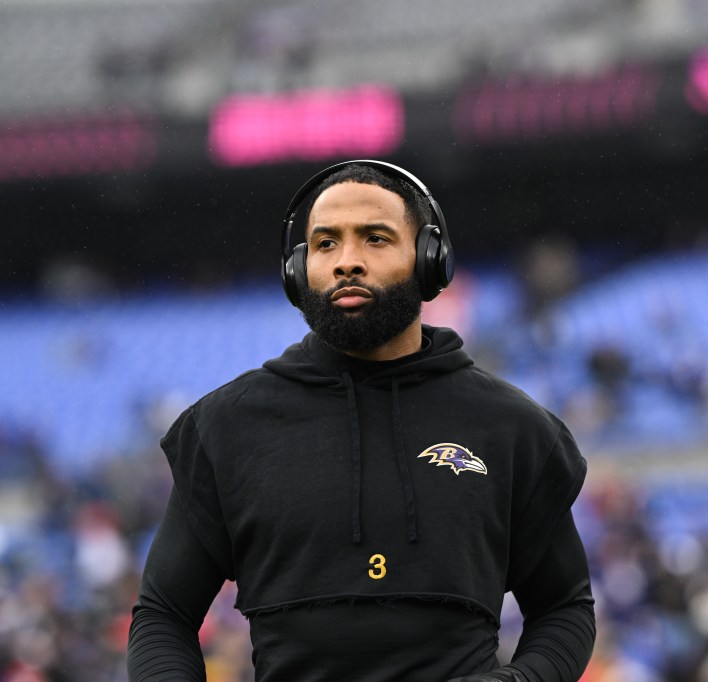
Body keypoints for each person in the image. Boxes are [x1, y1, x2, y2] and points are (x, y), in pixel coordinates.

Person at [126, 160, 596, 681]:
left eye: (375, 238)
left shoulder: (513, 428)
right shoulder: (225, 427)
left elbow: (564, 608)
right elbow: (163, 616)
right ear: (298, 268)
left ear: (428, 259)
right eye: (326, 243)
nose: (347, 261)